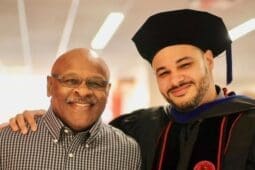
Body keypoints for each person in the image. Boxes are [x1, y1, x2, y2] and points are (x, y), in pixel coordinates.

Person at [3, 9, 255, 170]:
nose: (175, 79)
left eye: (185, 65)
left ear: (208, 61)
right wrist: (39, 118)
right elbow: (81, 129)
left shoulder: (250, 124)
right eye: (163, 72)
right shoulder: (140, 126)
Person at [0, 48, 141, 170]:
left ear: (108, 90)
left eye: (96, 83)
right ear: (50, 86)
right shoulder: (6, 141)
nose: (84, 91)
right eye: (71, 81)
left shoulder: (128, 151)